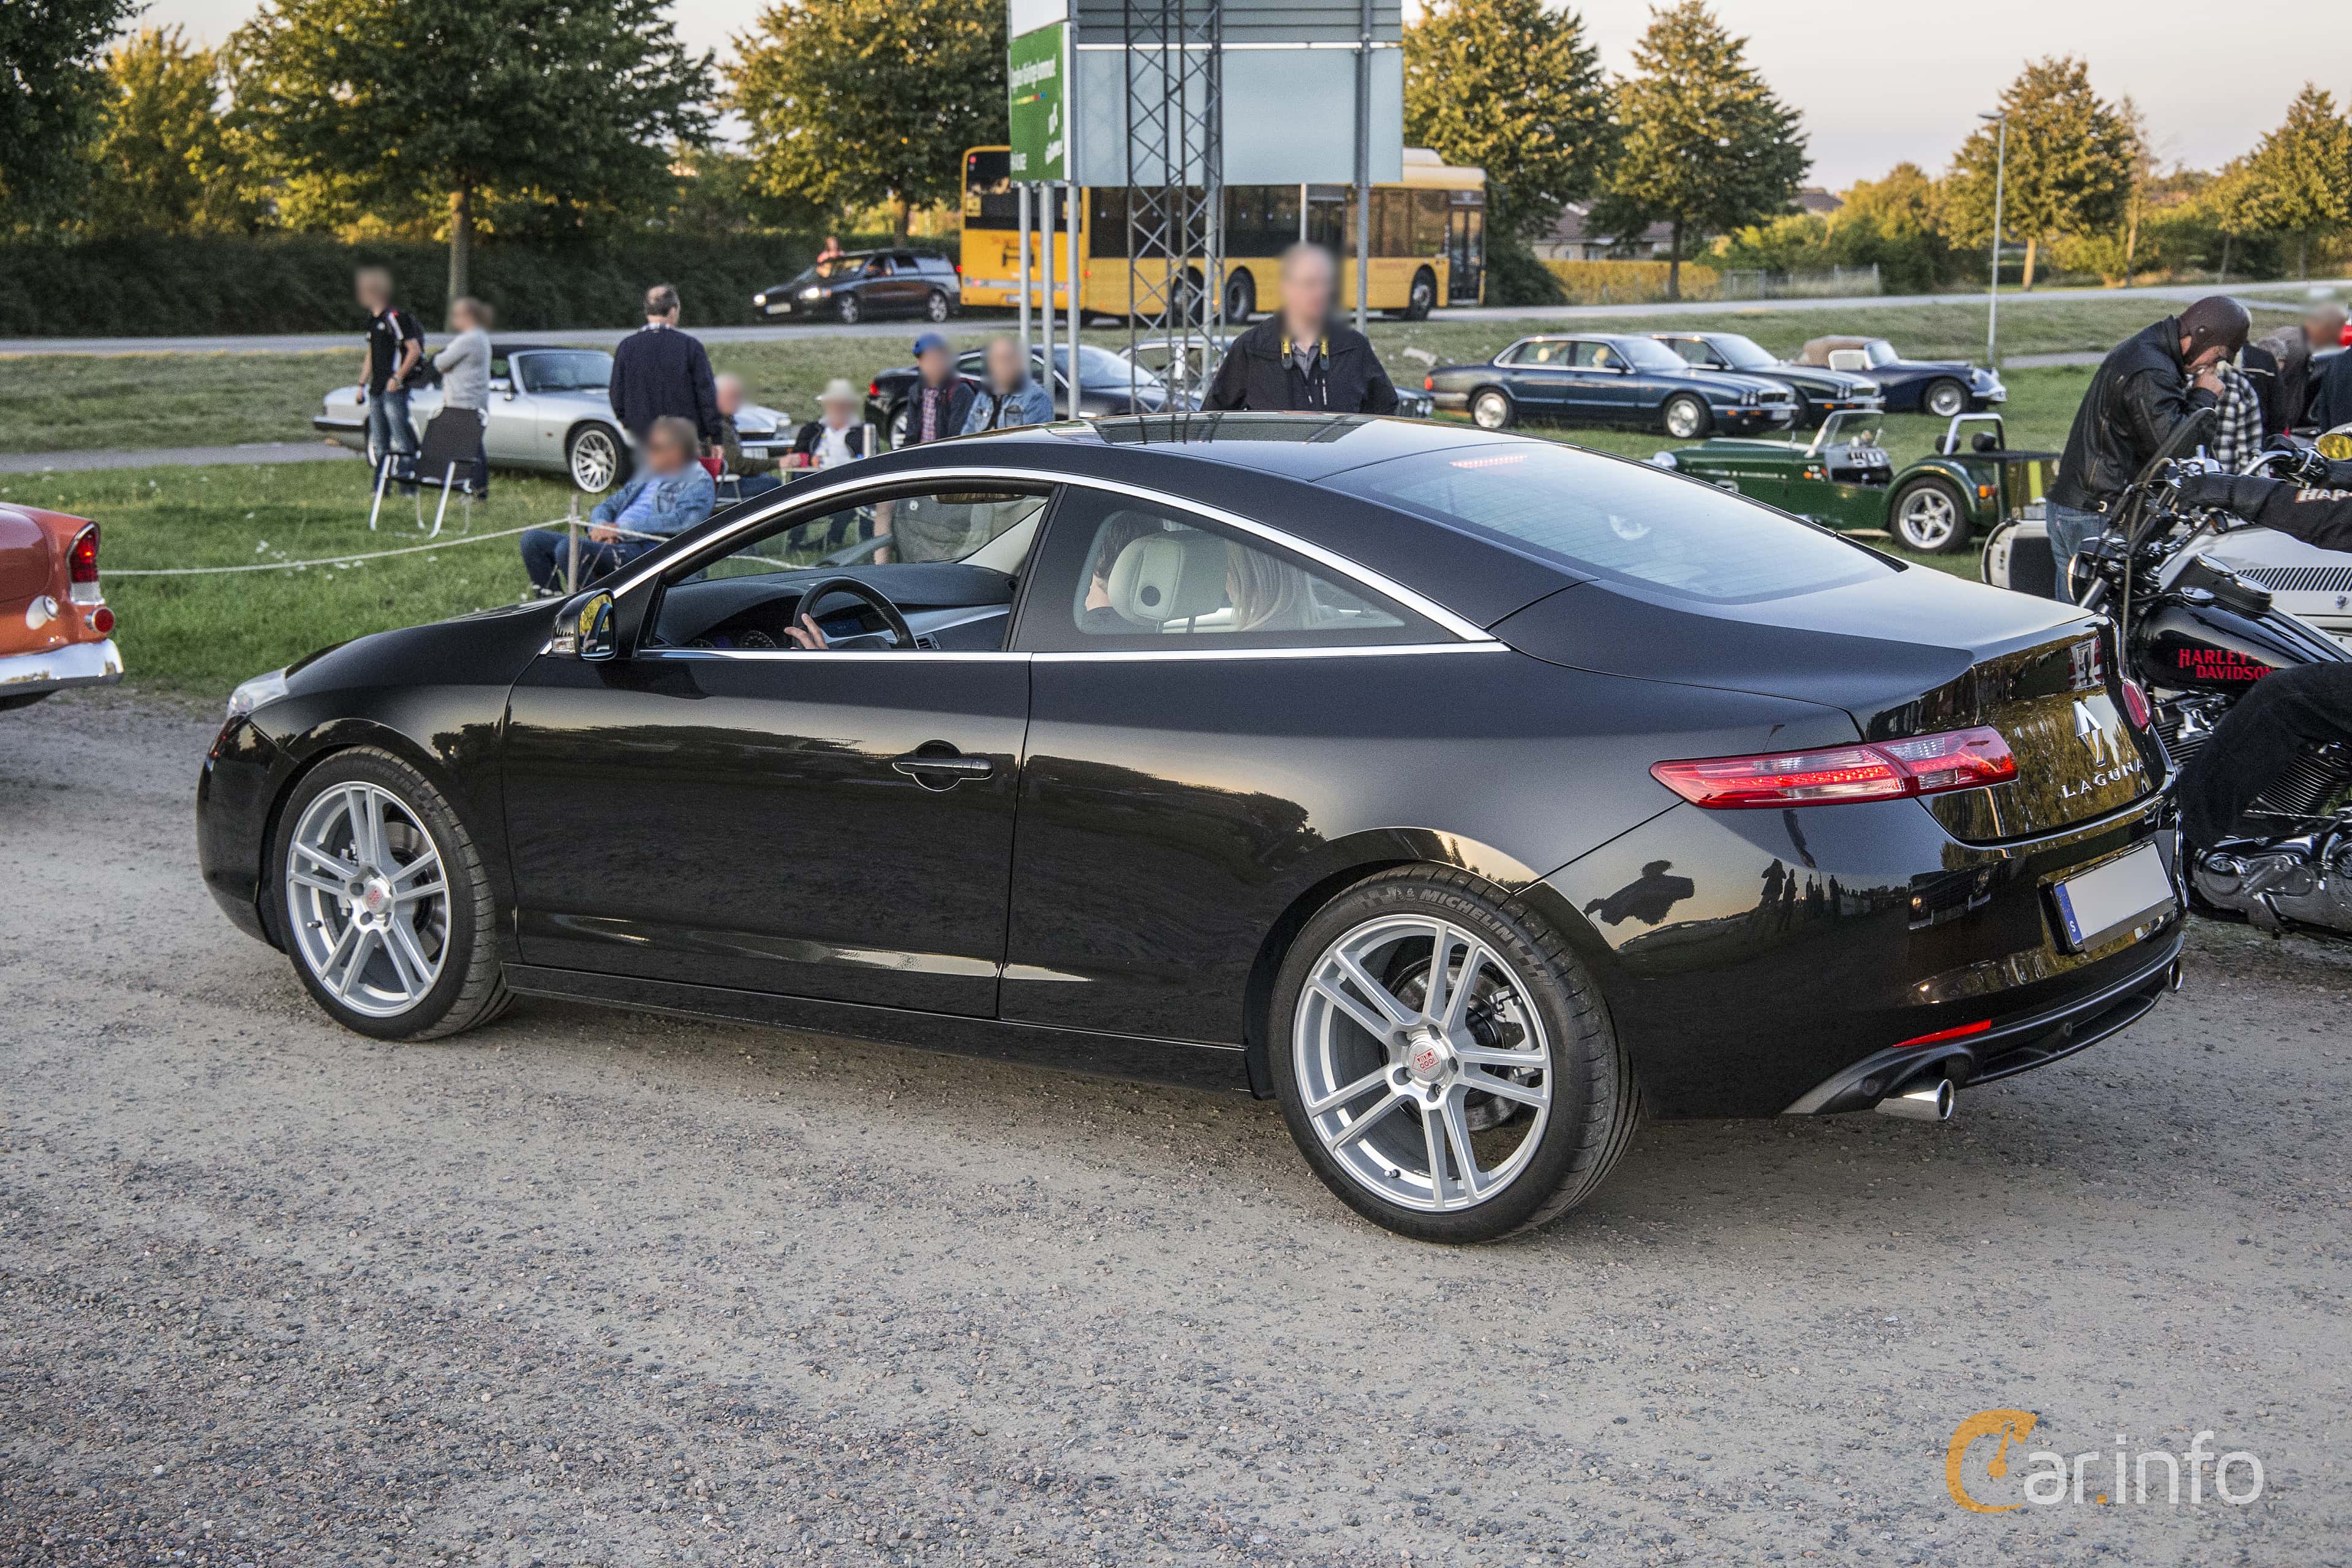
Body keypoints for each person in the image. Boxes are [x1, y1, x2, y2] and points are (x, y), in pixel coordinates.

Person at [2045, 296, 2249, 601]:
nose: (2213, 366)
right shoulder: (2151, 370)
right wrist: (2204, 397)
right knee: (2103, 623)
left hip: (2076, 507)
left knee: (2073, 622)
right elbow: (2176, 449)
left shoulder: (2148, 351)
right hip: (2097, 513)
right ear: (2201, 334)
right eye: (2217, 355)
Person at [518, 417, 714, 594]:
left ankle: (593, 617)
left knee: (569, 549)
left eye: (655, 448)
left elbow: (684, 522)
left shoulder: (698, 481)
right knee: (533, 541)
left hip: (646, 550)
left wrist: (620, 531)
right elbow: (610, 504)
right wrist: (601, 526)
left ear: (677, 450)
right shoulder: (649, 473)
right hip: (613, 540)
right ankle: (551, 608)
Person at [1202, 243, 1399, 415]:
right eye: (1309, 284)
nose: (1319, 293)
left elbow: (1385, 415)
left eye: (1325, 284)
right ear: (1288, 288)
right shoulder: (1252, 349)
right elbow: (1212, 420)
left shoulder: (1354, 347)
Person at [609, 284, 721, 451]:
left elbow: (617, 392)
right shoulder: (690, 346)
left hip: (643, 434)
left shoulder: (627, 347)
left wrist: (626, 420)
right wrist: (715, 434)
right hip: (685, 435)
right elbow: (706, 394)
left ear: (647, 311)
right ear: (673, 310)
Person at [355, 267, 424, 484]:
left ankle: (407, 485)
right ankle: (381, 486)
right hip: (376, 388)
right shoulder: (372, 321)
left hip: (393, 388)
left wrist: (398, 378)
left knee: (401, 438)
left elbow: (414, 350)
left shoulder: (395, 318)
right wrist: (361, 384)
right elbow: (371, 354)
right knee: (380, 441)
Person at [432, 296, 494, 498]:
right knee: (472, 447)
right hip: (472, 401)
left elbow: (440, 362)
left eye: (457, 315)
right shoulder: (480, 337)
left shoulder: (469, 339)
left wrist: (448, 366)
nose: (454, 319)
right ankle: (475, 489)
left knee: (472, 450)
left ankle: (475, 491)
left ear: (468, 316)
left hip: (465, 403)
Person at [712, 373, 784, 500]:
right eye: (733, 397)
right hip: (722, 485)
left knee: (766, 479)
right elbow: (738, 465)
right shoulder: (718, 427)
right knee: (774, 485)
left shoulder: (725, 422)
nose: (739, 401)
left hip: (724, 481)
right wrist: (778, 463)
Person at [963, 335, 1055, 434]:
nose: (1002, 366)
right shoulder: (985, 395)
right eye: (996, 360)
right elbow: (967, 435)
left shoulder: (1035, 397)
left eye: (1007, 359)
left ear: (1018, 362)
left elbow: (1036, 443)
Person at [901, 332, 974, 446]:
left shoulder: (960, 391)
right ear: (919, 363)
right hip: (919, 459)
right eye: (928, 360)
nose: (933, 365)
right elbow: (911, 436)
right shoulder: (916, 391)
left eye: (937, 359)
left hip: (944, 458)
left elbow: (957, 439)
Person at [788, 379, 871, 473]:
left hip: (848, 476)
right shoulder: (811, 429)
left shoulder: (863, 431)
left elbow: (870, 461)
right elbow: (797, 457)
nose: (837, 408)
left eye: (842, 404)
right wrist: (810, 460)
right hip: (814, 476)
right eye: (833, 404)